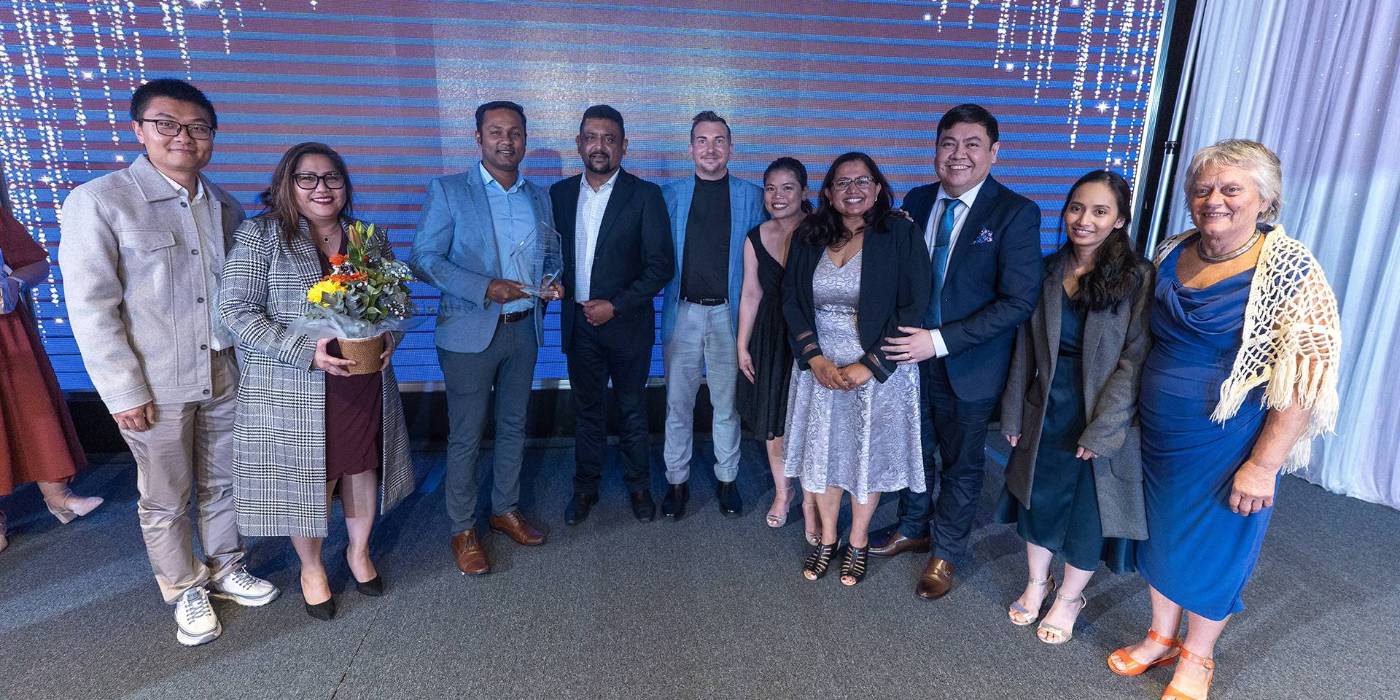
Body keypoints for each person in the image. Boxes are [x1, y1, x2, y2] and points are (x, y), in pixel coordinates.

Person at [1107, 140, 1339, 700]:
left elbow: (1306, 378)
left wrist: (1263, 466)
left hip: (1230, 440)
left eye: (1231, 189)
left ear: (1265, 199)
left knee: (1218, 547)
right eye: (1203, 189)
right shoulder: (1170, 250)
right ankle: (1161, 636)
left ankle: (1198, 657)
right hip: (1158, 431)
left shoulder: (1291, 269)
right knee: (1158, 536)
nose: (1214, 199)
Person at [59, 78, 278, 646]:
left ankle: (227, 567)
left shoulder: (224, 203)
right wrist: (122, 389)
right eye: (168, 124)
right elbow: (91, 306)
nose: (185, 137)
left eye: (199, 128)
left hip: (225, 369)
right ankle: (184, 587)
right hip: (156, 382)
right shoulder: (101, 200)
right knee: (164, 495)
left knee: (225, 481)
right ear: (139, 130)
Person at [220, 142, 415, 620]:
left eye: (332, 178)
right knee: (306, 477)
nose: (322, 188)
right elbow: (235, 311)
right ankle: (311, 568)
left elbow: (398, 300)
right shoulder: (261, 236)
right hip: (293, 385)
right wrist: (301, 348)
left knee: (361, 466)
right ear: (287, 185)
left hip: (360, 380)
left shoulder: (366, 236)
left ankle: (359, 551)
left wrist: (390, 334)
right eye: (307, 178)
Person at [878, 103, 1044, 601]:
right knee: (913, 450)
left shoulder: (1016, 212)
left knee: (962, 464)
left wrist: (940, 340)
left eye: (972, 144)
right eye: (948, 143)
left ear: (994, 153)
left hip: (968, 365)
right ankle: (912, 526)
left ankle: (946, 550)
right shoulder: (918, 199)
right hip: (908, 358)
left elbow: (1018, 301)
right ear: (936, 149)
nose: (958, 154)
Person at [995, 170, 1153, 644]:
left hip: (1102, 411)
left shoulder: (1137, 277)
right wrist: (1012, 412)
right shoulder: (1046, 270)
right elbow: (1023, 347)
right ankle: (1036, 583)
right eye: (1077, 208)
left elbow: (1135, 358)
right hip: (1046, 405)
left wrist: (1105, 429)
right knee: (1036, 499)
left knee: (1087, 513)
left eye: (1100, 211)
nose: (1084, 220)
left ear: (1120, 219)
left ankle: (1069, 598)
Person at [410, 101, 559, 576]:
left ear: (525, 139)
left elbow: (544, 256)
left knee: (514, 426)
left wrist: (550, 287)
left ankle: (504, 509)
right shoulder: (451, 191)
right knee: (467, 436)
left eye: (515, 133)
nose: (506, 141)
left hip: (524, 328)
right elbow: (424, 258)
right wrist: (483, 287)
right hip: (469, 332)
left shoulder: (539, 196)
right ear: (478, 138)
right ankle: (462, 528)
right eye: (496, 132)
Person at [782, 152, 930, 586]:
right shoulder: (809, 235)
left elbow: (914, 303)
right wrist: (815, 358)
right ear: (828, 192)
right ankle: (828, 538)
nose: (853, 189)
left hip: (878, 374)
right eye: (842, 182)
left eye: (863, 180)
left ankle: (859, 540)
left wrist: (871, 365)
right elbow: (791, 301)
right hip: (820, 371)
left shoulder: (899, 232)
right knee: (825, 458)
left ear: (878, 188)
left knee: (866, 459)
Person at [550, 105, 674, 525]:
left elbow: (660, 266)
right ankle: (585, 489)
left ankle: (640, 488)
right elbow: (551, 256)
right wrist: (551, 283)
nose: (598, 146)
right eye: (590, 137)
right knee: (587, 412)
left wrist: (615, 305)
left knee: (632, 410)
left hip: (627, 327)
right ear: (579, 143)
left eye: (608, 138)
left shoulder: (645, 195)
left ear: (623, 145)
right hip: (578, 327)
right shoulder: (559, 194)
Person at [659, 111, 766, 520]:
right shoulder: (668, 196)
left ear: (731, 148)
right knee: (677, 405)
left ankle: (727, 479)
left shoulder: (752, 197)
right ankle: (676, 482)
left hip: (729, 315)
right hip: (682, 312)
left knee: (727, 406)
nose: (710, 148)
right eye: (702, 140)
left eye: (719, 140)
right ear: (690, 148)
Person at [1, 167, 103, 553]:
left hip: (6, 330)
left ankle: (57, 495)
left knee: (33, 408)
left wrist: (13, 283)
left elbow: (36, 263)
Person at [736, 157, 816, 540]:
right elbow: (751, 293)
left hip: (814, 336)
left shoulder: (823, 231)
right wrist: (742, 345)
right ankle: (784, 494)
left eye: (787, 188)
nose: (778, 196)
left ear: (804, 192)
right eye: (770, 188)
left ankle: (814, 502)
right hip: (770, 336)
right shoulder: (755, 236)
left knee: (813, 422)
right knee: (774, 421)